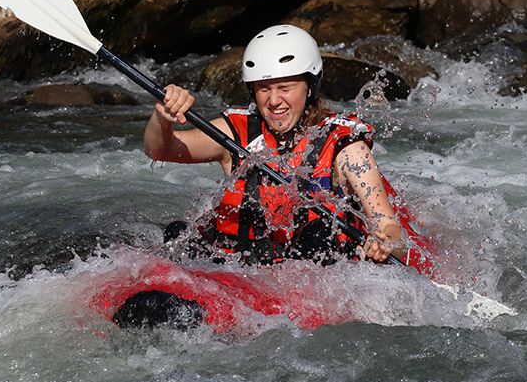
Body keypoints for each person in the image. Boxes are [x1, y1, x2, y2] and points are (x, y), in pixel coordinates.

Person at [144, 24, 406, 265]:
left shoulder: (347, 149)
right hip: (241, 272)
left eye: (285, 87)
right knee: (178, 236)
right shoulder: (236, 132)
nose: (273, 100)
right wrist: (162, 117)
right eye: (263, 88)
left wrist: (385, 243)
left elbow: (390, 229)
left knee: (319, 232)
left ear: (310, 87)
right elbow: (160, 150)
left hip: (310, 275)